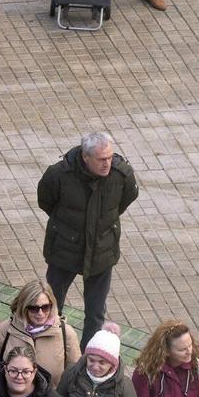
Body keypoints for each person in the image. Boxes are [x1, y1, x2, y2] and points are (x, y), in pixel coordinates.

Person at [34, 132, 137, 341]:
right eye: (101, 159)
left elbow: (126, 199)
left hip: (102, 251)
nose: (107, 163)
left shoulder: (121, 174)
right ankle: (50, 346)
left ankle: (87, 358)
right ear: (85, 157)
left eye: (109, 157)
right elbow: (46, 201)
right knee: (51, 305)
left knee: (96, 313)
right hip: (64, 249)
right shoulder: (59, 174)